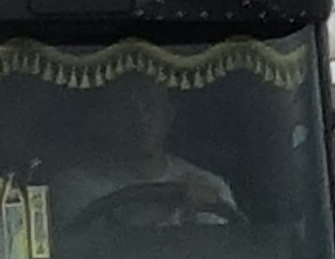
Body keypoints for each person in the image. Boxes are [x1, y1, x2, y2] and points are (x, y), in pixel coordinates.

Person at [49, 73, 238, 228]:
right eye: (126, 107)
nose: (140, 119)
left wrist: (198, 211)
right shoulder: (75, 189)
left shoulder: (211, 186)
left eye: (150, 105)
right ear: (105, 119)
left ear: (168, 115)